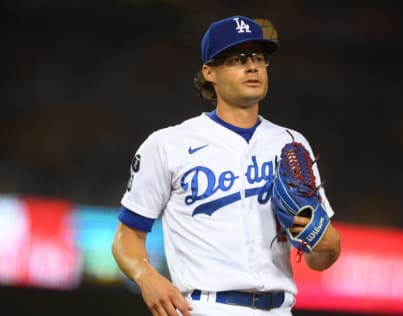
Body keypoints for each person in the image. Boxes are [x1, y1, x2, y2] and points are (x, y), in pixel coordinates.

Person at [112, 15, 341, 316]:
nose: (252, 66)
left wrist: (330, 244)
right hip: (205, 306)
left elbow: (317, 257)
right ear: (210, 72)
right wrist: (147, 278)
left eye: (259, 57)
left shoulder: (291, 143)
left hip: (281, 308)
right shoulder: (168, 144)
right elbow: (126, 239)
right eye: (237, 59)